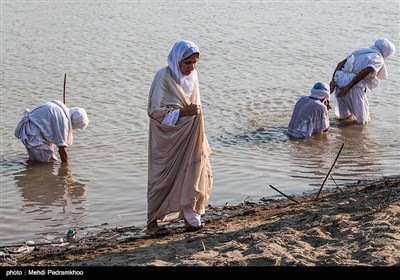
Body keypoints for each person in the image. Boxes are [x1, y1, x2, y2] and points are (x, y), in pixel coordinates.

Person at [146, 40, 213, 236]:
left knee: (195, 170)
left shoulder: (193, 76)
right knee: (162, 180)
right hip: (168, 140)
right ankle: (152, 225)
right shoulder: (163, 77)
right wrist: (183, 112)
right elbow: (154, 111)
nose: (191, 67)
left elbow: (196, 105)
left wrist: (191, 113)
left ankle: (191, 218)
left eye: (194, 63)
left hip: (192, 136)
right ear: (177, 60)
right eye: (187, 63)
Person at [329, 38, 396, 124]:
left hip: (339, 80)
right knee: (362, 121)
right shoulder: (378, 58)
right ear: (387, 52)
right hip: (353, 86)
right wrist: (348, 87)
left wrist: (333, 81)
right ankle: (356, 136)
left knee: (343, 117)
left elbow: (340, 64)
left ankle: (340, 133)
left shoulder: (360, 51)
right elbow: (364, 72)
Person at [14, 100, 89, 162]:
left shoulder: (60, 109)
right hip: (32, 135)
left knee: (35, 160)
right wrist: (66, 167)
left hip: (29, 130)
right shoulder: (62, 120)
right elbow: (61, 150)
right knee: (49, 163)